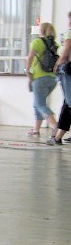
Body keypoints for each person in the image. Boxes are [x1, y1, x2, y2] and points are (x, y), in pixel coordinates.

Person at [25, 22, 58, 137]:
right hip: (52, 79)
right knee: (37, 103)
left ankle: (55, 127)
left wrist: (27, 70)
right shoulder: (54, 44)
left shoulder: (37, 42)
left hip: (39, 78)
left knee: (40, 104)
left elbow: (30, 57)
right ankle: (36, 129)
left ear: (41, 31)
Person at [47, 11, 71, 145]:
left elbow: (66, 51)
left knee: (69, 103)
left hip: (68, 70)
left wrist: (57, 64)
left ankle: (57, 137)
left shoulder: (69, 33)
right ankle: (57, 136)